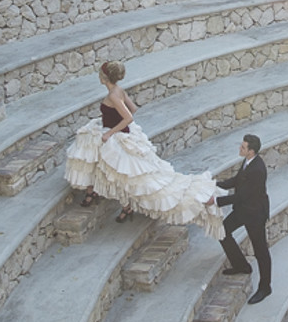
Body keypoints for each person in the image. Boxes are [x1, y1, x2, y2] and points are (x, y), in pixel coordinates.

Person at [64, 61, 223, 238]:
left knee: (127, 177)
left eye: (100, 75)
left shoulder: (114, 96)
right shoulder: (118, 90)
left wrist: (109, 132)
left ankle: (113, 200)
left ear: (104, 77)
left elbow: (129, 117)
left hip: (117, 136)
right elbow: (133, 107)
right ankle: (104, 197)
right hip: (122, 134)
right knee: (112, 170)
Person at [213, 134, 272, 305]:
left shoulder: (257, 169)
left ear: (251, 151)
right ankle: (241, 266)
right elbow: (237, 181)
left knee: (260, 251)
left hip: (254, 214)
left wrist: (216, 201)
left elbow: (242, 196)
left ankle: (265, 287)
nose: (240, 148)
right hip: (243, 210)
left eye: (243, 147)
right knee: (223, 232)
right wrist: (217, 184)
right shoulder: (248, 162)